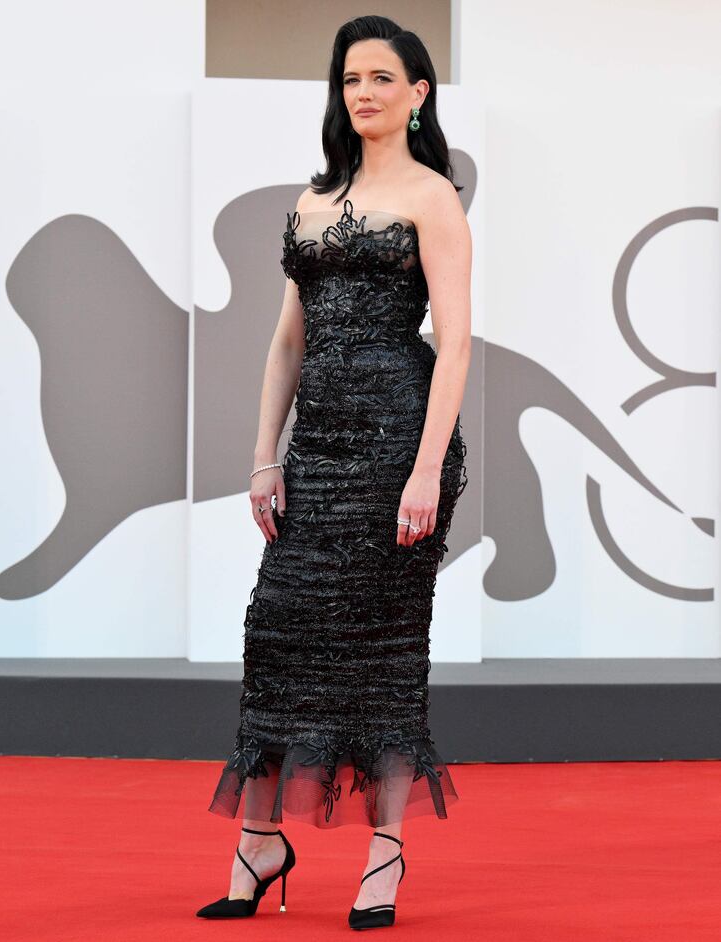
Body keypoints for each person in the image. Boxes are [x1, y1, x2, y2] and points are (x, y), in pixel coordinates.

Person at [197, 14, 472, 930]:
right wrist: (263, 456)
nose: (364, 92)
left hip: (401, 446)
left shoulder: (435, 197)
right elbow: (286, 343)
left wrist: (427, 469)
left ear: (418, 94)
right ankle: (261, 840)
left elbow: (458, 344)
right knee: (276, 637)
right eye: (351, 77)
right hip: (315, 454)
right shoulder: (312, 201)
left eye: (384, 78)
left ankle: (385, 857)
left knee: (384, 654)